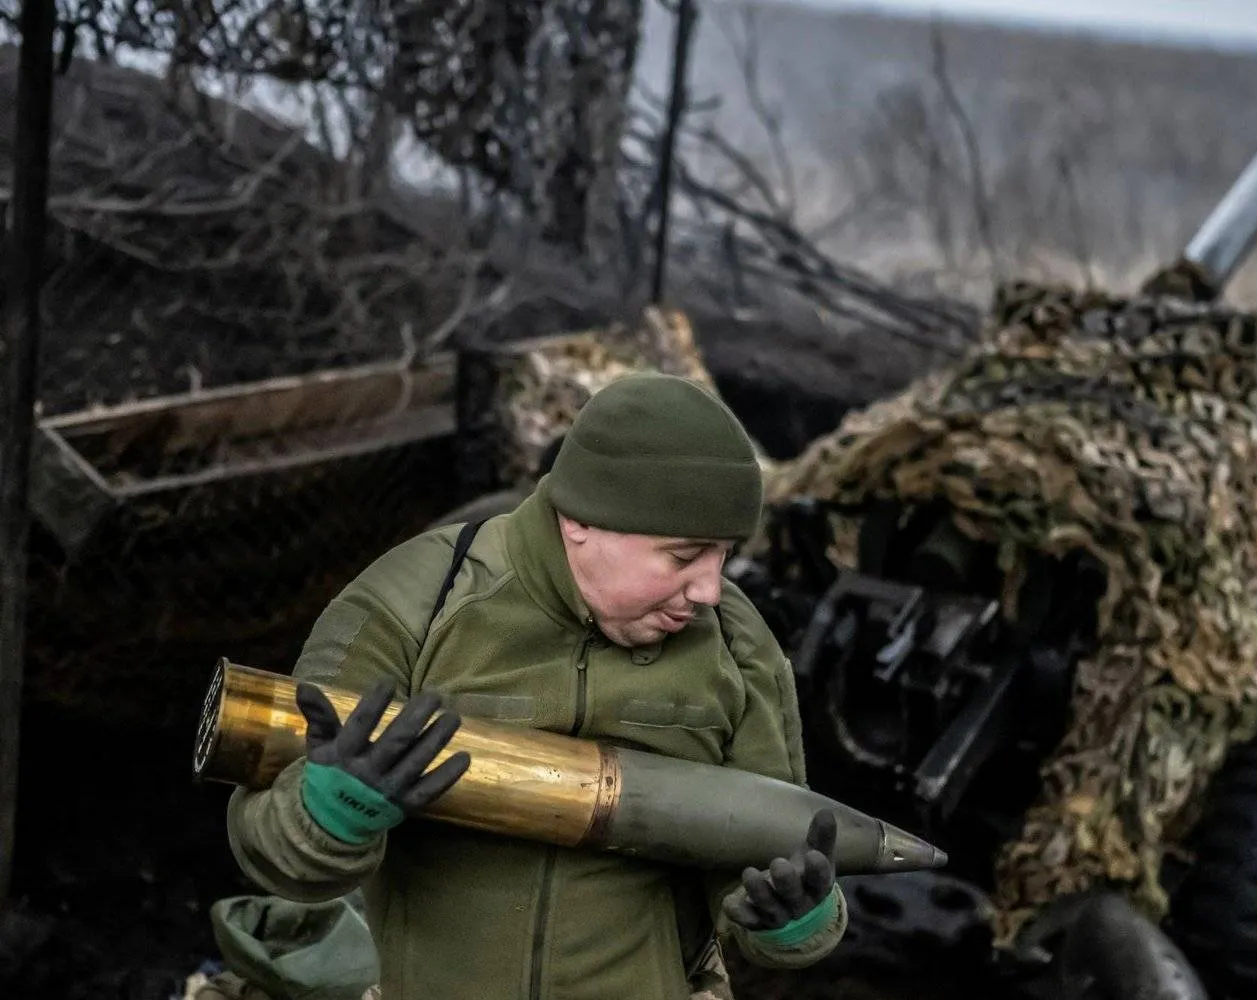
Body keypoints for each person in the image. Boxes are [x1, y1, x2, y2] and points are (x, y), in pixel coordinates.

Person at [223, 372, 847, 1000]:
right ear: (580, 522)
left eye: (725, 558)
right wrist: (328, 813)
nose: (711, 591)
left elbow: (760, 863)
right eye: (684, 559)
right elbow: (270, 846)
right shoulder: (412, 602)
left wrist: (791, 916)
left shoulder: (737, 648)